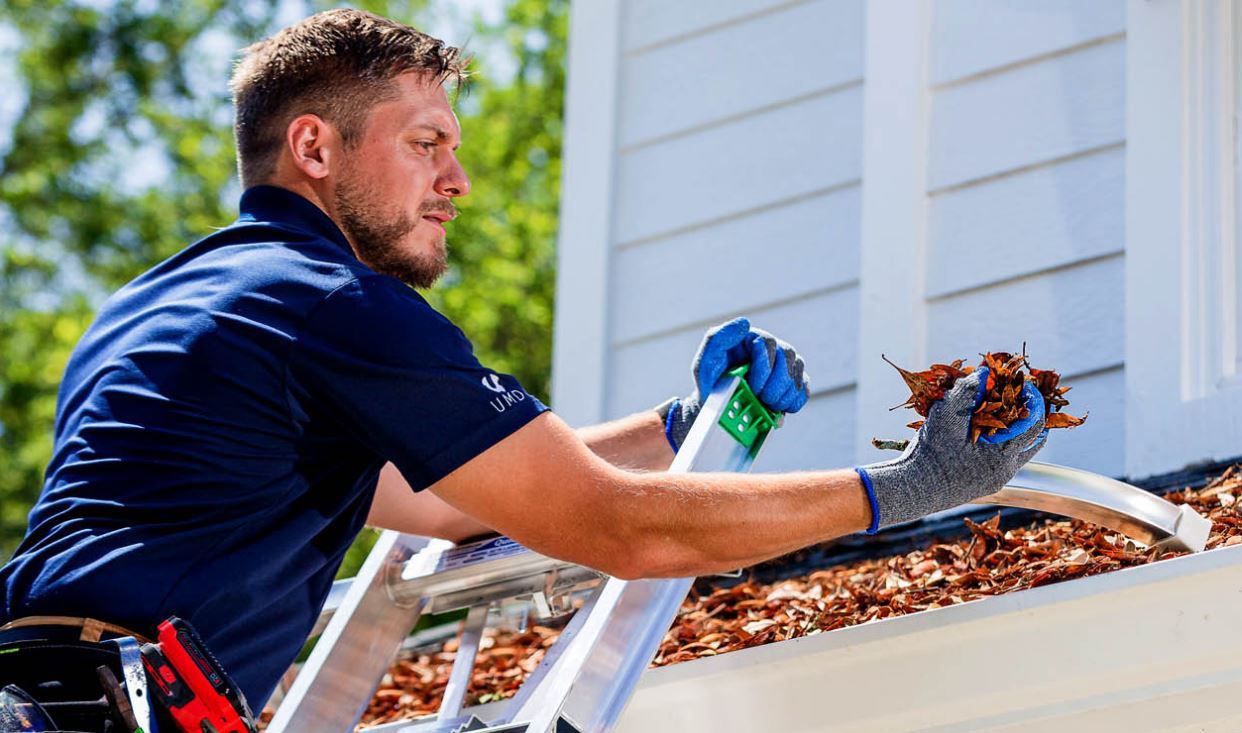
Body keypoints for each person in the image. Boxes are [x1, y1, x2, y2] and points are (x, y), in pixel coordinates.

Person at [0, 8, 1047, 730]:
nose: (455, 180)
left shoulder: (155, 308)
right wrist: (908, 489)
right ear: (315, 147)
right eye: (425, 142)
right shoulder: (340, 307)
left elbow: (448, 500)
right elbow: (624, 528)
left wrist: (682, 419)